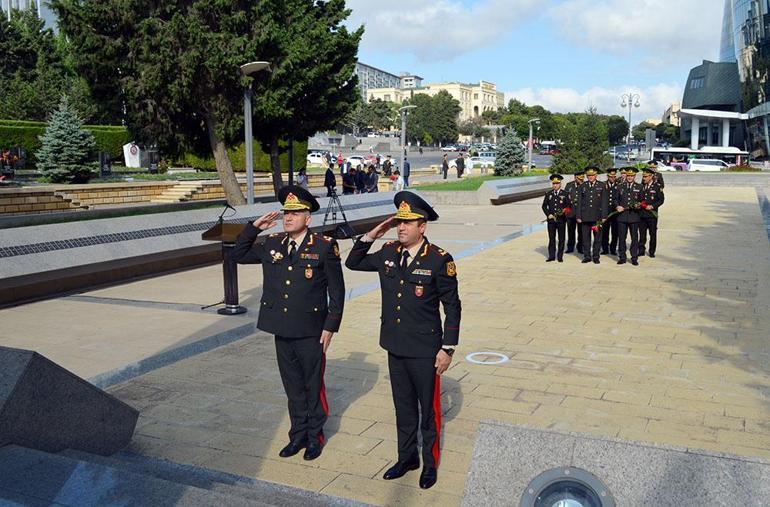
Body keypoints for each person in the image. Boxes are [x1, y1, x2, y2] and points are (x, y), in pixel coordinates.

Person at [345, 191, 461, 490]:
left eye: (408, 222)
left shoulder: (439, 259)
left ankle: (430, 464)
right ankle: (406, 457)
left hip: (425, 349)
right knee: (404, 407)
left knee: (429, 411)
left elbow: (452, 306)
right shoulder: (388, 252)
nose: (401, 227)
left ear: (422, 226)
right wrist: (373, 233)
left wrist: (447, 348)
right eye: (399, 222)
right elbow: (353, 262)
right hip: (395, 345)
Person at [230, 185, 345, 461]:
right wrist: (253, 228)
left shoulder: (324, 246)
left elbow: (337, 291)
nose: (288, 218)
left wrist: (330, 326)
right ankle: (298, 436)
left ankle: (315, 437)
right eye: (286, 213)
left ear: (308, 218)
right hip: (281, 328)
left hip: (311, 330)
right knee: (293, 386)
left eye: (295, 213)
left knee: (312, 385)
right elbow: (237, 254)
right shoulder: (273, 243)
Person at [576, 166, 608, 264]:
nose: (590, 177)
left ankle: (596, 256)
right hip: (585, 217)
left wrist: (604, 216)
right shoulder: (583, 186)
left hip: (597, 217)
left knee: (597, 238)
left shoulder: (602, 185)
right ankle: (587, 256)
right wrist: (578, 216)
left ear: (596, 175)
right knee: (586, 238)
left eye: (592, 175)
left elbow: (604, 202)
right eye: (589, 175)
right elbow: (579, 202)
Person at [615, 167, 643, 266]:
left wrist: (638, 205)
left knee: (634, 238)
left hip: (634, 217)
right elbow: (615, 199)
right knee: (622, 238)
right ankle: (622, 257)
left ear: (635, 176)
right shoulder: (620, 186)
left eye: (632, 176)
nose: (630, 177)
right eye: (628, 175)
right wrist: (617, 206)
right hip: (622, 217)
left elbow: (642, 200)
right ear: (626, 175)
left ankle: (634, 257)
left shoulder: (639, 187)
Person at [541, 173, 571, 262]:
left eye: (557, 183)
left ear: (560, 184)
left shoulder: (565, 194)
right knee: (551, 238)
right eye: (553, 183)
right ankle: (551, 256)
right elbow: (544, 206)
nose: (555, 185)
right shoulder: (549, 194)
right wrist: (548, 214)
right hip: (551, 221)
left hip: (561, 220)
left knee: (561, 239)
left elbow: (569, 206)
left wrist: (564, 211)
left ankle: (560, 256)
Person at [638, 166, 664, 258]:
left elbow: (661, 200)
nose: (644, 178)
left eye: (646, 177)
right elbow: (638, 199)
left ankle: (652, 251)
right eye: (643, 177)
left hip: (652, 215)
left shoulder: (657, 187)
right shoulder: (641, 186)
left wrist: (653, 206)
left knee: (652, 234)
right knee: (642, 234)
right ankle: (641, 250)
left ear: (651, 177)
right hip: (641, 215)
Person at [564, 170, 585, 254]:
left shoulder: (585, 185)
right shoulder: (569, 185)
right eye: (579, 179)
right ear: (575, 177)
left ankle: (580, 247)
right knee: (571, 231)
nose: (581, 180)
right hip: (571, 212)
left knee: (581, 231)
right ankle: (570, 247)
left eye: (582, 179)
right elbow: (565, 197)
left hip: (581, 213)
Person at [601, 168, 620, 256]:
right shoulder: (603, 185)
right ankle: (605, 248)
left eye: (614, 176)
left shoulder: (619, 185)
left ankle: (613, 249)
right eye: (610, 176)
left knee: (615, 231)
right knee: (605, 231)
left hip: (616, 212)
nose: (612, 178)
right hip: (606, 211)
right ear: (607, 176)